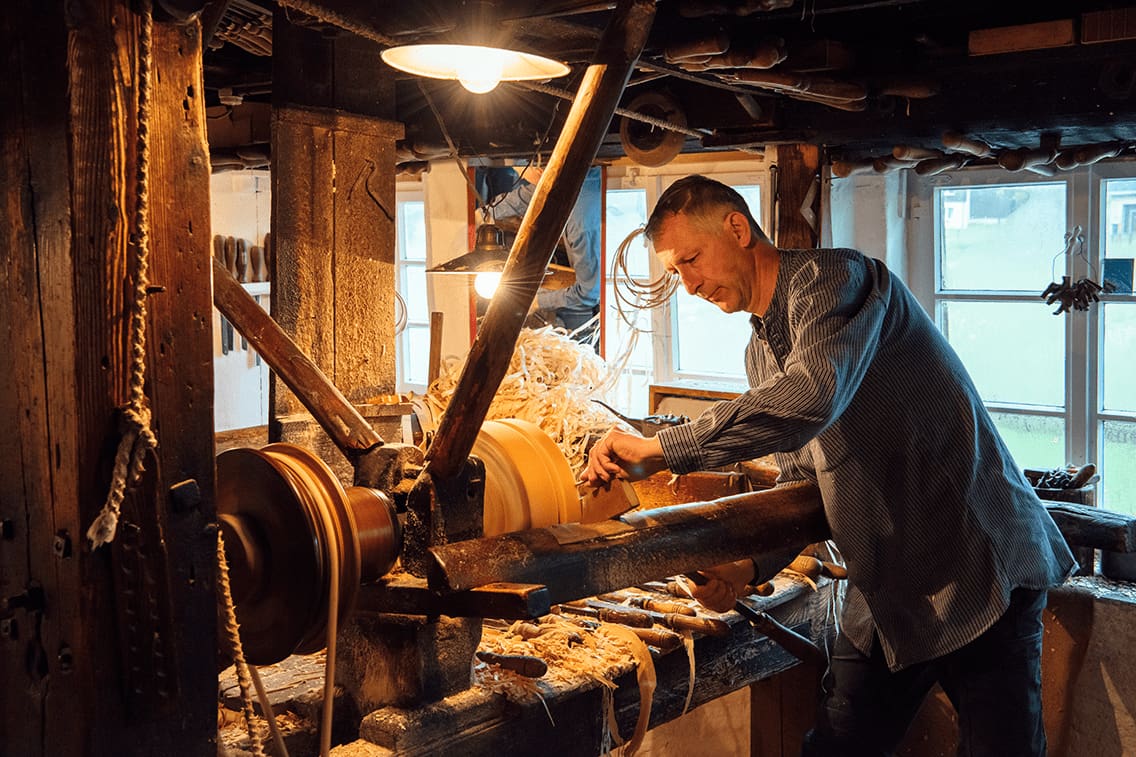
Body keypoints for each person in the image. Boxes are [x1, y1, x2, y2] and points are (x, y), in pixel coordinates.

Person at [581, 175, 1076, 756]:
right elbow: (801, 483)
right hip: (891, 588)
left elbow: (812, 398)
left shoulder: (836, 279)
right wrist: (747, 567)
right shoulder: (761, 352)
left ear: (737, 228)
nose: (688, 285)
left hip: (977, 564)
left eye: (691, 260)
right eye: (677, 273)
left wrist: (664, 447)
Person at [481, 164, 603, 343]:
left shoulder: (581, 227)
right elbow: (522, 199)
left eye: (522, 171)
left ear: (538, 170)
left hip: (587, 306)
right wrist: (481, 217)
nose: (521, 177)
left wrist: (536, 302)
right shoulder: (562, 181)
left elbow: (589, 293)